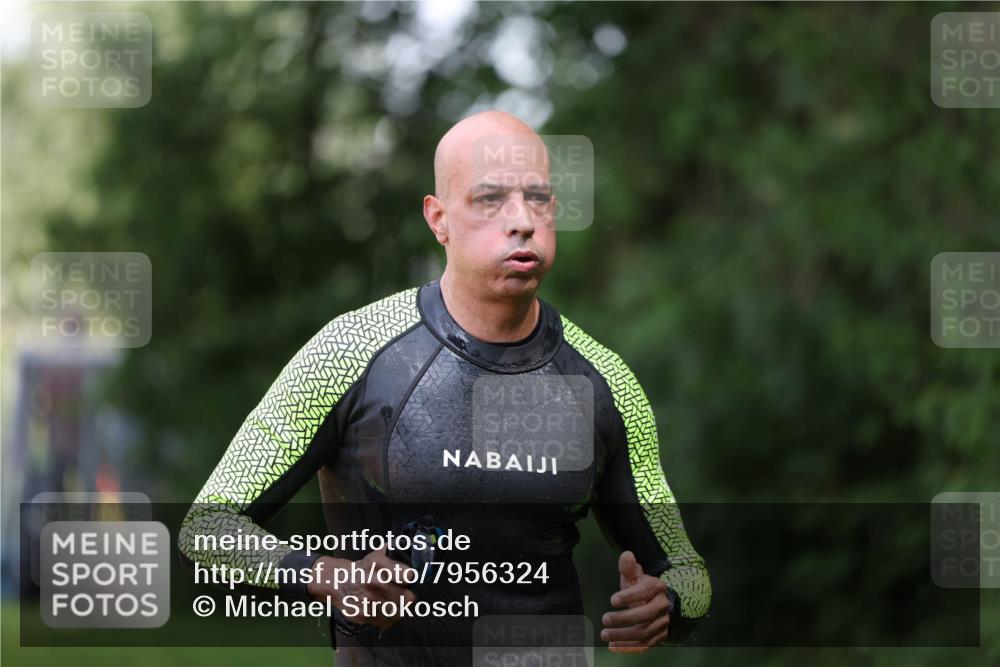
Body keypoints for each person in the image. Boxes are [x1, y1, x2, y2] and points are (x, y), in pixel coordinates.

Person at [179, 110, 710, 665]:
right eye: (490, 200)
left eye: (538, 199)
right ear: (438, 219)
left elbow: (690, 574)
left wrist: (667, 603)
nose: (522, 221)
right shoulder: (350, 351)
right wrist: (322, 576)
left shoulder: (604, 381)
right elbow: (207, 529)